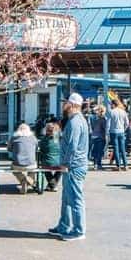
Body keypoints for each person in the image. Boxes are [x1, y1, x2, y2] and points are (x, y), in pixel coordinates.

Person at [48, 92, 89, 241]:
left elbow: (72, 146)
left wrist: (65, 164)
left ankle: (79, 230)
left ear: (71, 105)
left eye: (66, 103)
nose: (64, 105)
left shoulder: (74, 122)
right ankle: (64, 225)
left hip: (73, 166)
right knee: (67, 198)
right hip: (75, 165)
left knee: (75, 198)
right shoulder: (77, 120)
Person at [8, 123, 38, 192]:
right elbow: (36, 149)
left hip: (18, 164)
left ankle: (23, 180)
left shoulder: (14, 138)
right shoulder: (33, 138)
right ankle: (29, 180)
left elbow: (9, 149)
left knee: (12, 168)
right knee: (33, 169)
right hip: (31, 164)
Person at [38, 122, 62, 191]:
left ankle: (52, 185)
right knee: (60, 170)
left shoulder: (44, 140)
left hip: (47, 163)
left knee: (45, 168)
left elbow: (41, 150)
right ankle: (52, 185)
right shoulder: (60, 139)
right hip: (59, 163)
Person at [108, 99, 129, 171]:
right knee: (122, 149)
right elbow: (127, 123)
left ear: (113, 104)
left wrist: (107, 132)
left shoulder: (111, 112)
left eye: (111, 104)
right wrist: (124, 129)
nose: (111, 105)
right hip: (121, 132)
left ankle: (118, 166)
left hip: (113, 132)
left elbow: (108, 123)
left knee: (116, 149)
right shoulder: (123, 112)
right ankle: (125, 165)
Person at [90, 105, 107, 170]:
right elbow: (104, 128)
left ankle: (95, 164)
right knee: (100, 151)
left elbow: (92, 126)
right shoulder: (103, 119)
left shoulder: (93, 117)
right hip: (100, 136)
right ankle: (98, 164)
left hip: (94, 135)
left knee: (95, 151)